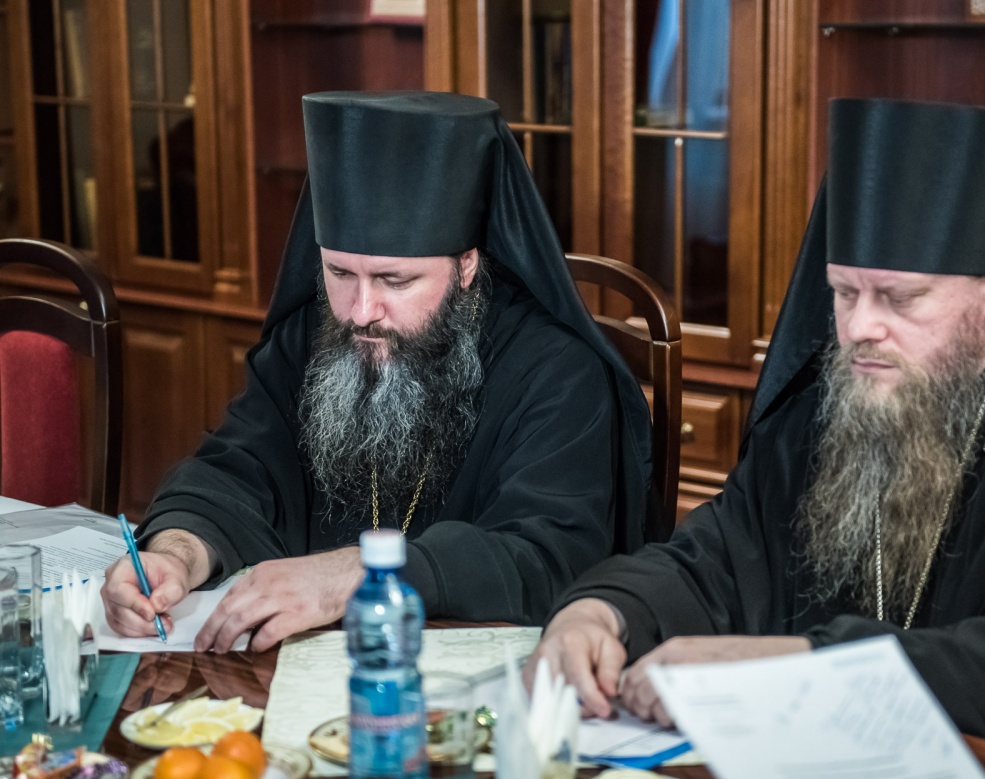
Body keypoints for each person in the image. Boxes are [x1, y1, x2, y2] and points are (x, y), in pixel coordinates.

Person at [530, 99, 985, 779]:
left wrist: (797, 664)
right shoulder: (829, 411)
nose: (859, 329)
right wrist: (602, 611)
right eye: (845, 294)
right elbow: (719, 557)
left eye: (900, 298)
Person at [101, 91, 653, 651]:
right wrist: (177, 552)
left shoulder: (558, 371)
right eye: (341, 273)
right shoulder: (314, 336)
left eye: (395, 280)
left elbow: (548, 556)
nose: (361, 312)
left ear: (466, 265)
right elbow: (237, 466)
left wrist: (359, 573)